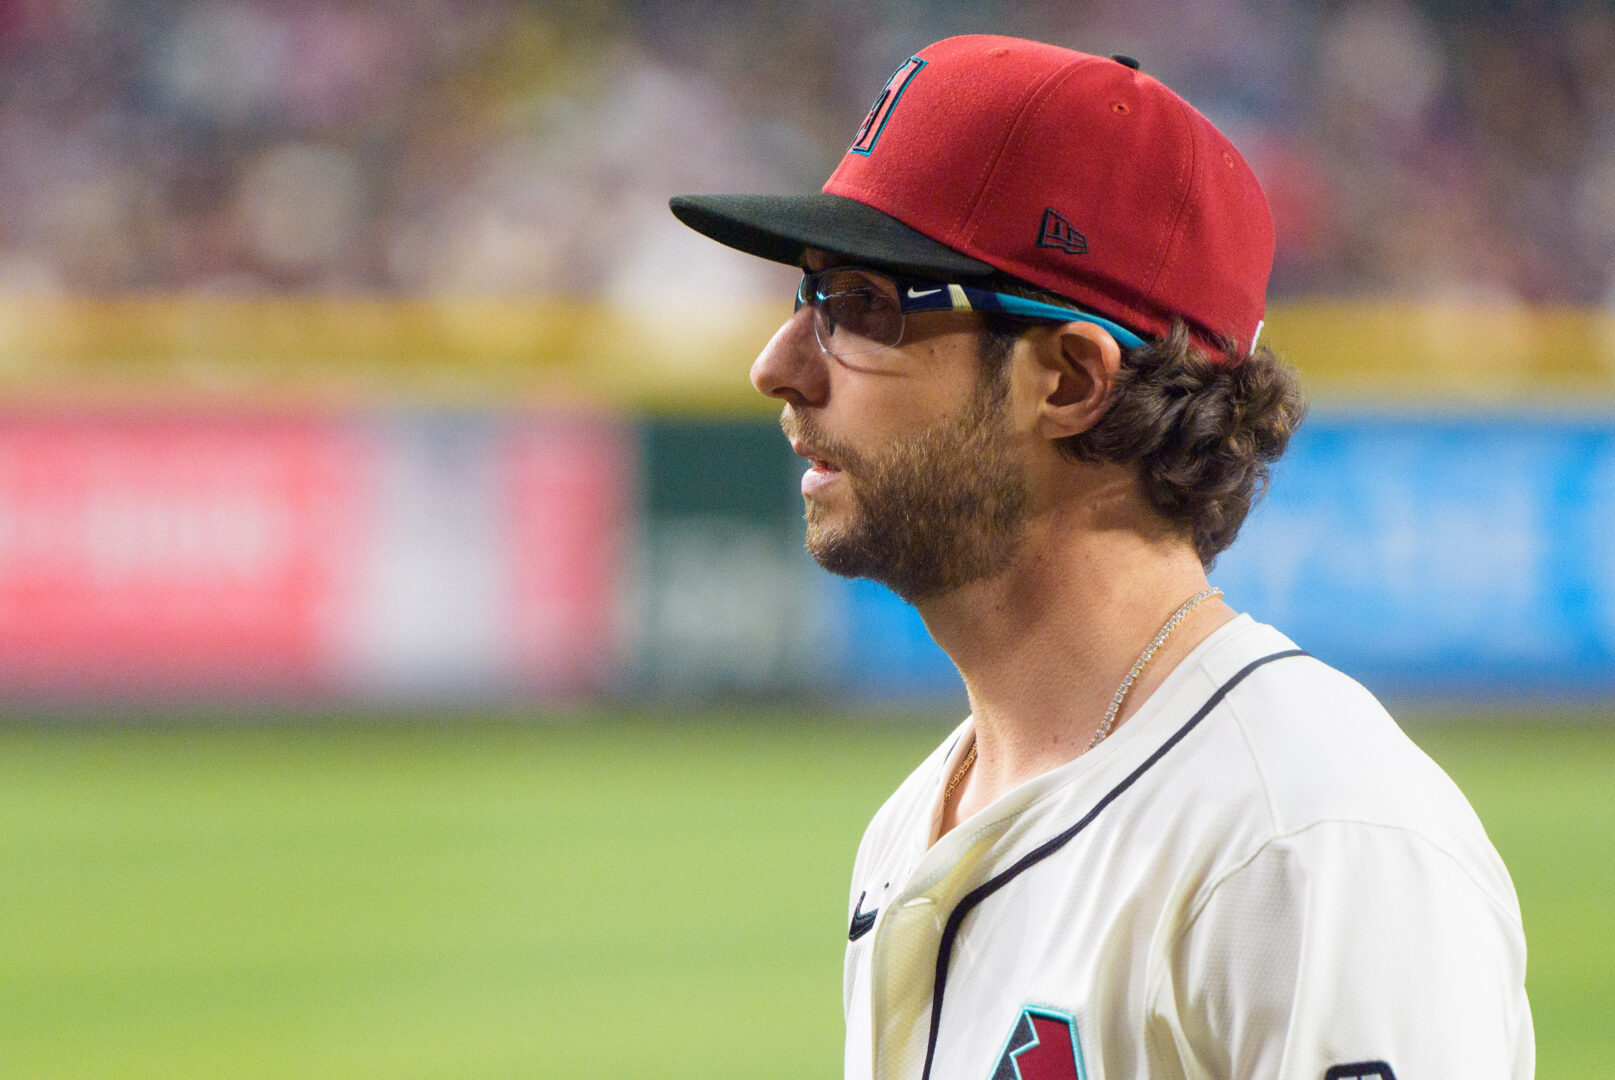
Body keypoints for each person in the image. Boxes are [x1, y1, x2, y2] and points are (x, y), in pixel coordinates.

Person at [670, 35, 1532, 1080]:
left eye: (860, 307)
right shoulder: (919, 820)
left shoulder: (1308, 837)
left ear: (1071, 379)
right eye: (807, 300)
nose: (779, 367)